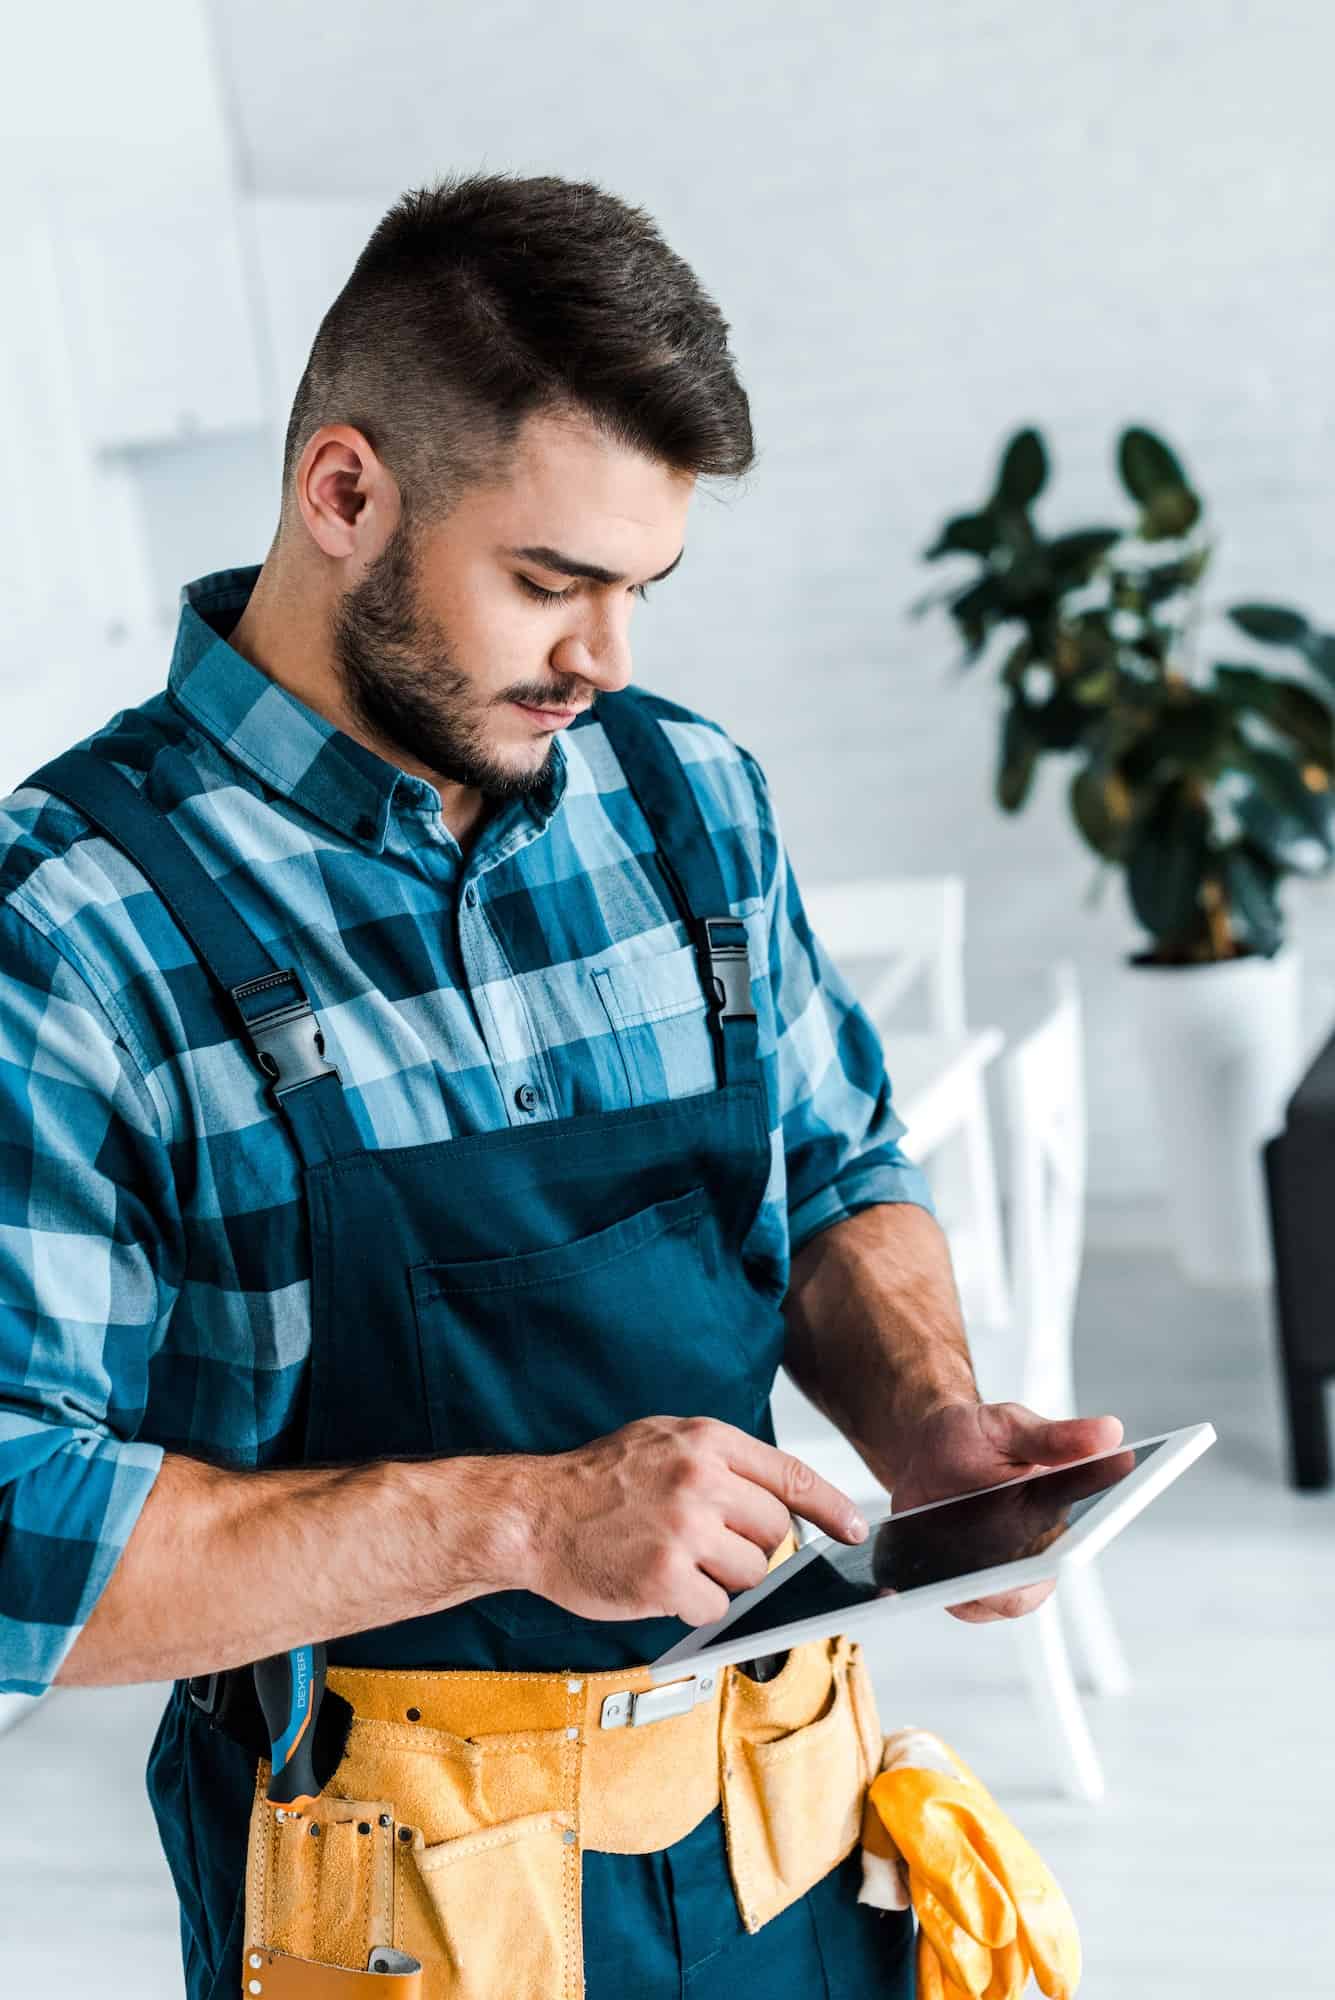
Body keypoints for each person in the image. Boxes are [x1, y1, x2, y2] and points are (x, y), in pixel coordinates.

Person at [0, 171, 1122, 1999]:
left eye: (642, 588)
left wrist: (929, 1420)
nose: (609, 659)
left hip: (793, 1854)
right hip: (384, 1918)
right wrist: (525, 1517)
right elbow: (11, 1519)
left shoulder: (693, 801)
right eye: (550, 583)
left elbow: (831, 1169)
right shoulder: (72, 924)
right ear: (344, 492)